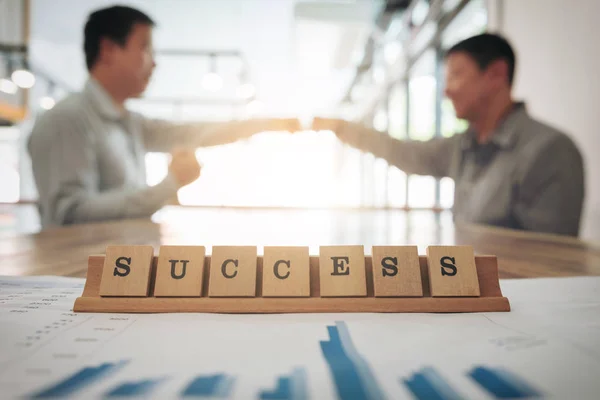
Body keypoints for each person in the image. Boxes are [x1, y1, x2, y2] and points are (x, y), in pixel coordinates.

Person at [28, 5, 299, 228]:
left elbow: (191, 132)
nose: (154, 62)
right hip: (76, 281)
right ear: (109, 49)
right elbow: (69, 214)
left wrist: (264, 125)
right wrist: (169, 185)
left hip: (113, 271)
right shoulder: (66, 120)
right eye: (145, 48)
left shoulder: (129, 122)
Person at [313, 33, 585, 236]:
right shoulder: (463, 144)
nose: (447, 91)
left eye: (456, 75)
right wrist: (342, 128)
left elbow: (550, 259)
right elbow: (406, 154)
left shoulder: (551, 150)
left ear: (496, 74)